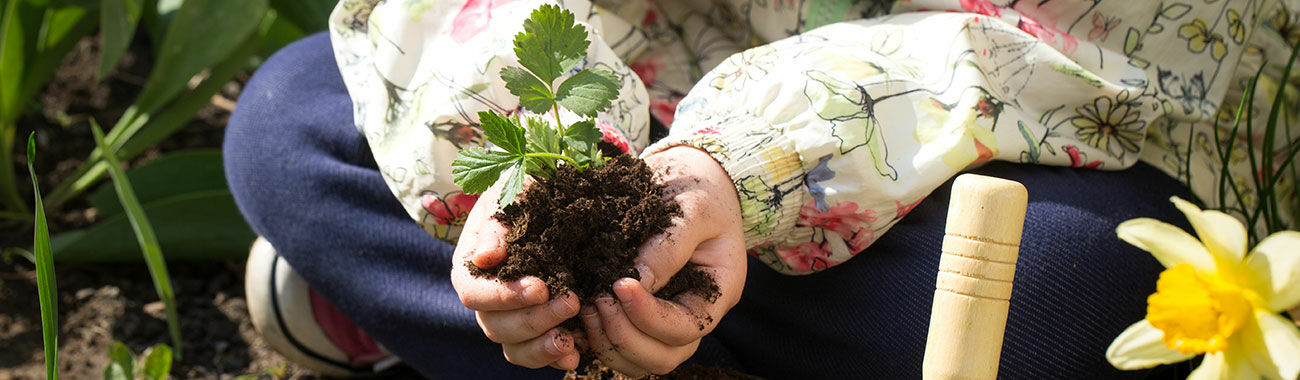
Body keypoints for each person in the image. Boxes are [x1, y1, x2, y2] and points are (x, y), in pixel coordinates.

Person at [224, 0, 1300, 378]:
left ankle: (440, 319)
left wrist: (741, 171)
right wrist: (550, 165)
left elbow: (1078, 61)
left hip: (981, 131)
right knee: (292, 125)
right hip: (661, 93)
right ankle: (547, 318)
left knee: (1069, 289)